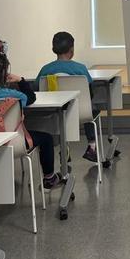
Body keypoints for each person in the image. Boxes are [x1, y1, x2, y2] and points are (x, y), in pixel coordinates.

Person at [0, 51, 59, 182]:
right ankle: (49, 178)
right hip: (11, 144)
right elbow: (31, 98)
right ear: (3, 74)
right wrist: (21, 80)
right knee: (46, 139)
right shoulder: (15, 95)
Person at [37, 31, 100, 164]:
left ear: (54, 49)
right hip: (80, 113)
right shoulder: (80, 69)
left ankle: (64, 147)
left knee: (63, 114)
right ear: (71, 49)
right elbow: (90, 93)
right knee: (90, 106)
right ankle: (92, 146)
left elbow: (37, 90)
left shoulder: (45, 70)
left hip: (54, 113)